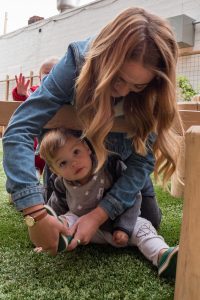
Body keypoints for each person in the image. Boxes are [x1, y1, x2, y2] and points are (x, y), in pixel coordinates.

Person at [3, 7, 183, 256]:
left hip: (119, 170)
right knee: (57, 214)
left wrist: (99, 215)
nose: (122, 92)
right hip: (77, 178)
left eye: (138, 85)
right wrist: (34, 212)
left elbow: (142, 163)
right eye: (118, 78)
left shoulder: (155, 91)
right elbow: (20, 128)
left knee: (151, 218)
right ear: (104, 60)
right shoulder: (77, 61)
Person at [35, 128, 179, 278]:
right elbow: (57, 205)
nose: (74, 163)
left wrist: (124, 227)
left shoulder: (110, 166)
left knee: (144, 227)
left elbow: (133, 197)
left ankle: (162, 255)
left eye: (76, 152)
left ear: (86, 147)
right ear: (55, 170)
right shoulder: (60, 183)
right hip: (83, 229)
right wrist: (48, 230)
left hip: (116, 226)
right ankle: (56, 240)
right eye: (63, 163)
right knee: (66, 219)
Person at [12, 57, 59, 176]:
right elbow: (21, 100)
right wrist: (21, 93)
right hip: (36, 145)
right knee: (33, 170)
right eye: (46, 73)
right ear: (39, 77)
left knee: (54, 171)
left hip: (55, 143)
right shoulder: (35, 91)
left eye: (53, 72)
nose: (49, 75)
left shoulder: (63, 93)